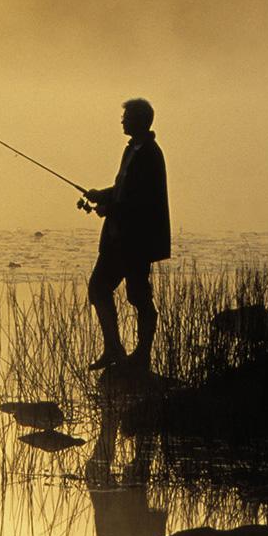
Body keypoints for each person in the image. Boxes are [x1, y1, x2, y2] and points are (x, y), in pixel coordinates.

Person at [79, 96, 170, 371]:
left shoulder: (149, 154)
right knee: (100, 289)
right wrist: (100, 195)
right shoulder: (133, 149)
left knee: (137, 296)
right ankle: (115, 349)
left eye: (126, 116)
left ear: (138, 121)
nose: (122, 120)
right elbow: (124, 189)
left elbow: (141, 200)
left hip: (135, 241)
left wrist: (109, 207)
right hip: (120, 238)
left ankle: (139, 354)